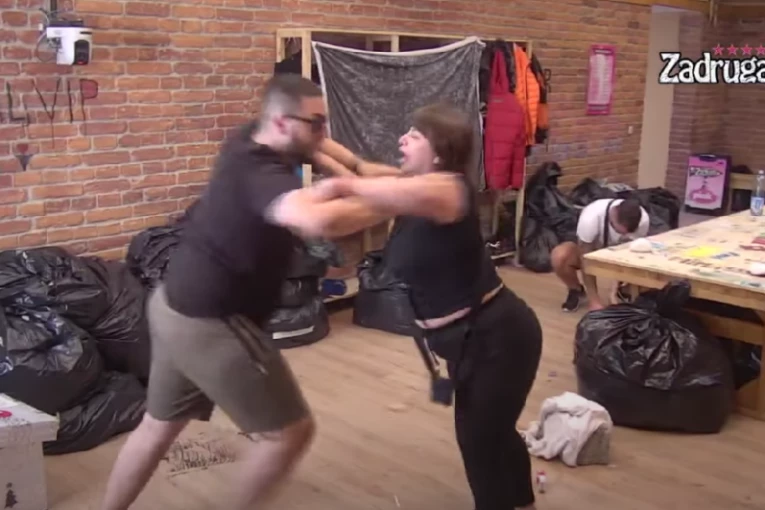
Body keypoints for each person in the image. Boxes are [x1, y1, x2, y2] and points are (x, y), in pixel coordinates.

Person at [99, 74, 394, 510]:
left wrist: (358, 168)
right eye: (316, 123)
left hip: (173, 306)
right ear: (281, 123)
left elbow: (321, 148)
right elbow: (317, 221)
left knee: (158, 427)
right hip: (211, 323)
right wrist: (401, 199)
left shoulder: (250, 137)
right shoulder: (262, 174)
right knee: (290, 434)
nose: (323, 134)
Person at [316, 103, 543, 510]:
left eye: (415, 135)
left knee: (480, 441)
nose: (402, 138)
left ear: (439, 153)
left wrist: (304, 201)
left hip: (499, 338)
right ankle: (522, 504)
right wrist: (311, 145)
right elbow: (360, 170)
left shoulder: (448, 191)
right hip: (466, 342)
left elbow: (357, 187)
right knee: (490, 433)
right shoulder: (414, 187)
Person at [550, 197, 649, 312]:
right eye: (618, 231)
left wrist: (614, 290)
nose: (623, 235)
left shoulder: (643, 220)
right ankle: (576, 290)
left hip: (621, 254)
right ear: (613, 213)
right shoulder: (590, 218)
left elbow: (634, 257)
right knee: (560, 256)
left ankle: (624, 290)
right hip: (594, 250)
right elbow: (585, 260)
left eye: (627, 233)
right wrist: (594, 301)